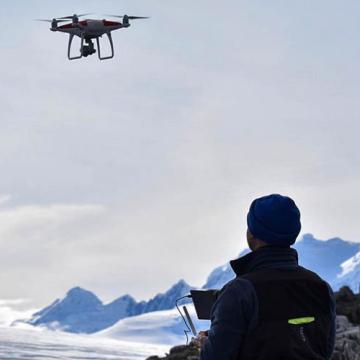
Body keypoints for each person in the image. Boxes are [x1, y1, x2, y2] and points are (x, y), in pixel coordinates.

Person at [199, 194, 336, 360]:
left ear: (253, 234)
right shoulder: (321, 287)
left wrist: (206, 344)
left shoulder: (239, 291)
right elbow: (325, 350)